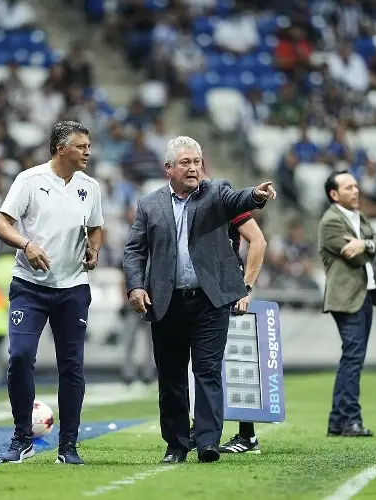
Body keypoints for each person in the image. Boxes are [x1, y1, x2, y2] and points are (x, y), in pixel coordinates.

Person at [123, 135, 276, 464]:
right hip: (166, 302)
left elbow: (238, 199)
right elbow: (134, 251)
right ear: (169, 169)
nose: (193, 168)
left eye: (197, 161)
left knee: (207, 372)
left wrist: (257, 196)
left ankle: (208, 442)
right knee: (171, 377)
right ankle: (176, 445)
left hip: (209, 301)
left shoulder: (215, 192)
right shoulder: (149, 205)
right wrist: (135, 286)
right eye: (185, 163)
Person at [0, 121, 103, 465]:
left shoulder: (90, 186)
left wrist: (94, 250)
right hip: (29, 287)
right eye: (82, 146)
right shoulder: (29, 180)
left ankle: (68, 446)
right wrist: (27, 245)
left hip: (72, 289)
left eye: (88, 146)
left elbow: (97, 228)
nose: (88, 152)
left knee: (72, 367)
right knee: (20, 357)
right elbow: (0, 224)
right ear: (61, 149)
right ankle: (22, 436)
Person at [188, 209, 267, 454]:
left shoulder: (224, 200)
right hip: (197, 287)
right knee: (202, 361)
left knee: (236, 358)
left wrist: (246, 287)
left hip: (226, 288)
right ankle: (199, 427)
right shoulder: (182, 201)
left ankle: (247, 433)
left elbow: (258, 240)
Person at [319, 170, 376, 437]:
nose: (356, 191)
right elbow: (357, 259)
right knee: (353, 357)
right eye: (349, 188)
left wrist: (364, 244)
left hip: (364, 294)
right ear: (334, 194)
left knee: (352, 357)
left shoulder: (357, 217)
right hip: (347, 298)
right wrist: (367, 247)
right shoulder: (331, 222)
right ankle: (349, 419)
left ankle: (338, 421)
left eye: (356, 186)